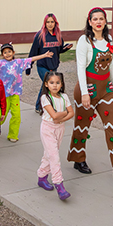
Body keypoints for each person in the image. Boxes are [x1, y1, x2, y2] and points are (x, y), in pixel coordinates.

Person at [67, 7, 113, 180]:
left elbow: (111, 64)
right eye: (95, 19)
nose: (98, 22)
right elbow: (80, 68)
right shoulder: (84, 40)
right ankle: (78, 159)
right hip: (88, 89)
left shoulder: (108, 39)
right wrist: (84, 93)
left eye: (101, 19)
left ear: (105, 21)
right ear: (90, 22)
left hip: (106, 90)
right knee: (81, 127)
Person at [0, 42, 52, 142]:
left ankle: (13, 135)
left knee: (16, 115)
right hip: (3, 95)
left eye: (9, 51)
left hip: (15, 94)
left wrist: (44, 55)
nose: (7, 54)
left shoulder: (18, 62)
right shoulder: (0, 64)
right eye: (5, 52)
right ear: (2, 55)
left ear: (13, 52)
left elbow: (31, 59)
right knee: (1, 116)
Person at [37, 71, 74, 201]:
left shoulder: (64, 97)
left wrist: (62, 118)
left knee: (49, 154)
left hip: (60, 128)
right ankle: (59, 185)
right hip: (48, 128)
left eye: (57, 83)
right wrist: (64, 114)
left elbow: (72, 113)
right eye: (52, 83)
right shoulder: (45, 98)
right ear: (46, 84)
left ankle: (41, 177)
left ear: (61, 84)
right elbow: (53, 116)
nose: (55, 85)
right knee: (54, 156)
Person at [27, 13, 73, 114]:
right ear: (45, 23)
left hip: (54, 65)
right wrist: (28, 67)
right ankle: (40, 107)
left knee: (47, 86)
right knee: (48, 86)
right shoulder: (40, 35)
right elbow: (33, 52)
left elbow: (58, 50)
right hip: (42, 65)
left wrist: (65, 48)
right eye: (48, 22)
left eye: (52, 22)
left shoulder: (58, 35)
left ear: (55, 23)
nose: (50, 24)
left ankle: (45, 106)